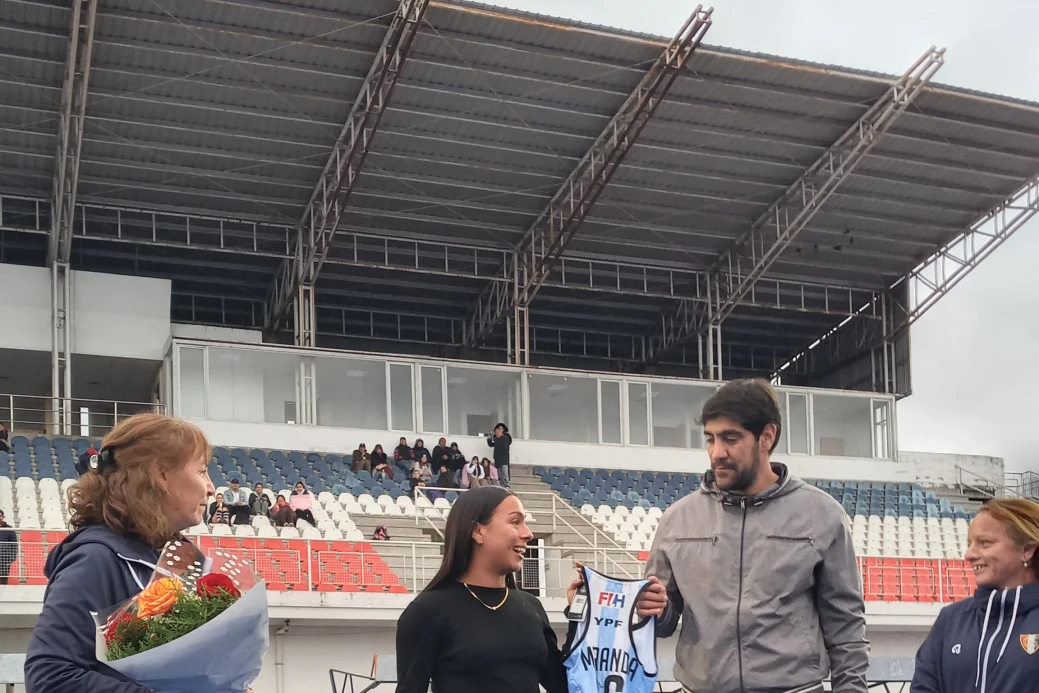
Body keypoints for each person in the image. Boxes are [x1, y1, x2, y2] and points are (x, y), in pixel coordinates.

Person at [638, 379, 869, 693]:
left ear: (767, 437)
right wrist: (655, 609)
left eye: (730, 438)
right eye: (710, 438)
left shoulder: (823, 515)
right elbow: (662, 623)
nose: (717, 452)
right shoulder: (677, 519)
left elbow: (847, 628)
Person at [22, 413, 251, 693]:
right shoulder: (96, 558)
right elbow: (50, 678)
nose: (211, 487)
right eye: (202, 471)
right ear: (161, 474)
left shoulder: (184, 558)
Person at [395, 486, 581, 693]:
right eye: (515, 522)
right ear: (477, 531)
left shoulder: (532, 606)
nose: (528, 534)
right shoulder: (427, 612)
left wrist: (580, 616)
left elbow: (566, 686)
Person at [911, 498, 1039, 693]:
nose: (969, 554)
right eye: (970, 543)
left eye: (984, 543)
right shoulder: (951, 620)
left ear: (1027, 550)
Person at [486, 422, 512, 487]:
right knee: (499, 474)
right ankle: (502, 485)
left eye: (501, 429)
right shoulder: (495, 438)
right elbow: (491, 444)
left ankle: (507, 485)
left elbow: (508, 442)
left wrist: (500, 437)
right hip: (497, 459)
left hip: (504, 459)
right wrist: (489, 439)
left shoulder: (506, 437)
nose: (499, 430)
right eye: (498, 429)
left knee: (504, 472)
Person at [0, 508, 16, 585]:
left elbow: (14, 544)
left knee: (4, 579)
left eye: (0, 515)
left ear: (3, 517)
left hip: (5, 557)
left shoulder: (9, 529)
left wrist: (12, 557)